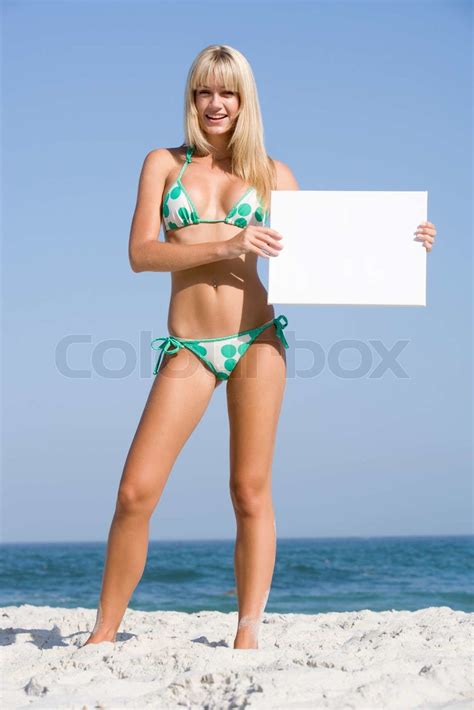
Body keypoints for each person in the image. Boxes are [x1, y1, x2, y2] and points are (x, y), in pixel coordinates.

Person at [83, 44, 437, 650]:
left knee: (249, 490)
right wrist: (224, 245)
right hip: (190, 347)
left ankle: (248, 634)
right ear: (192, 98)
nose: (216, 104)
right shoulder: (162, 164)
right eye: (204, 91)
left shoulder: (274, 176)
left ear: (246, 101)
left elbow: (334, 254)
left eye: (229, 92)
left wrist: (407, 244)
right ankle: (103, 633)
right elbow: (141, 254)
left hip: (257, 340)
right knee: (134, 491)